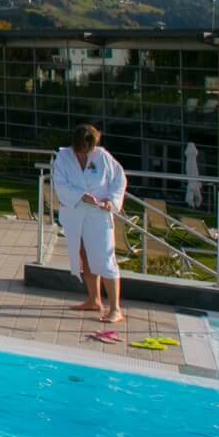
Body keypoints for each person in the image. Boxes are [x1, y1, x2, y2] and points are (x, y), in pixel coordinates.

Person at [52, 122, 128, 324]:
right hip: (75, 213)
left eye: (87, 149)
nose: (84, 153)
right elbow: (60, 184)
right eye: (81, 150)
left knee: (105, 258)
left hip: (98, 214)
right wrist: (81, 196)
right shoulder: (63, 157)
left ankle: (115, 308)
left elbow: (119, 180)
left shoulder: (102, 156)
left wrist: (111, 201)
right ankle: (94, 300)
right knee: (84, 255)